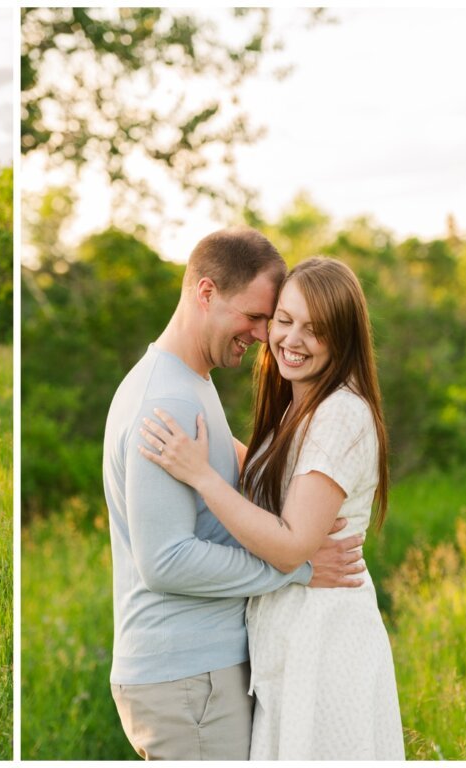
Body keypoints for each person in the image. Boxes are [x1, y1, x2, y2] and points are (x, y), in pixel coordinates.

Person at [102, 228, 367, 761]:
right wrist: (297, 568)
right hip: (187, 676)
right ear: (206, 293)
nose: (264, 334)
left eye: (273, 320)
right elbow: (166, 562)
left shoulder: (186, 383)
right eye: (256, 316)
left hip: (194, 673)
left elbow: (239, 471)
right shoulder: (170, 400)